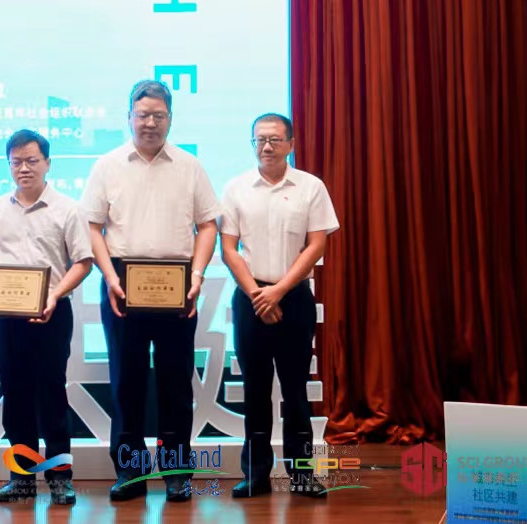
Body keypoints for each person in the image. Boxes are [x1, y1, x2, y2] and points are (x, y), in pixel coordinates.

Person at [81, 80, 219, 503]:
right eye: (143, 115)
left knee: (176, 382)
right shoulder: (107, 165)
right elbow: (92, 227)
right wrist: (110, 277)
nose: (150, 123)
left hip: (177, 283)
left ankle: (176, 472)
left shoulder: (189, 166)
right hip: (123, 281)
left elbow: (208, 225)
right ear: (129, 117)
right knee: (127, 382)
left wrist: (197, 276)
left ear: (170, 119)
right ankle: (130, 472)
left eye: (159, 115)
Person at [220, 113, 338, 500]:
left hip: (294, 298)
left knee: (295, 390)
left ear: (291, 144)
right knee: (255, 390)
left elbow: (316, 245)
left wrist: (279, 291)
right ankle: (255, 475)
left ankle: (301, 475)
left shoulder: (310, 187)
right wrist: (258, 293)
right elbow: (228, 248)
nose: (267, 146)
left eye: (274, 139)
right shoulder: (236, 188)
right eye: (259, 140)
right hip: (250, 298)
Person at [0, 129, 94, 505]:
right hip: (5, 316)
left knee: (51, 394)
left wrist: (55, 294)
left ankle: (60, 478)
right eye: (16, 162)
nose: (23, 168)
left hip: (51, 313)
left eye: (31, 161)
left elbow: (83, 262)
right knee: (15, 395)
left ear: (47, 163)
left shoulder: (68, 209)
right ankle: (22, 478)